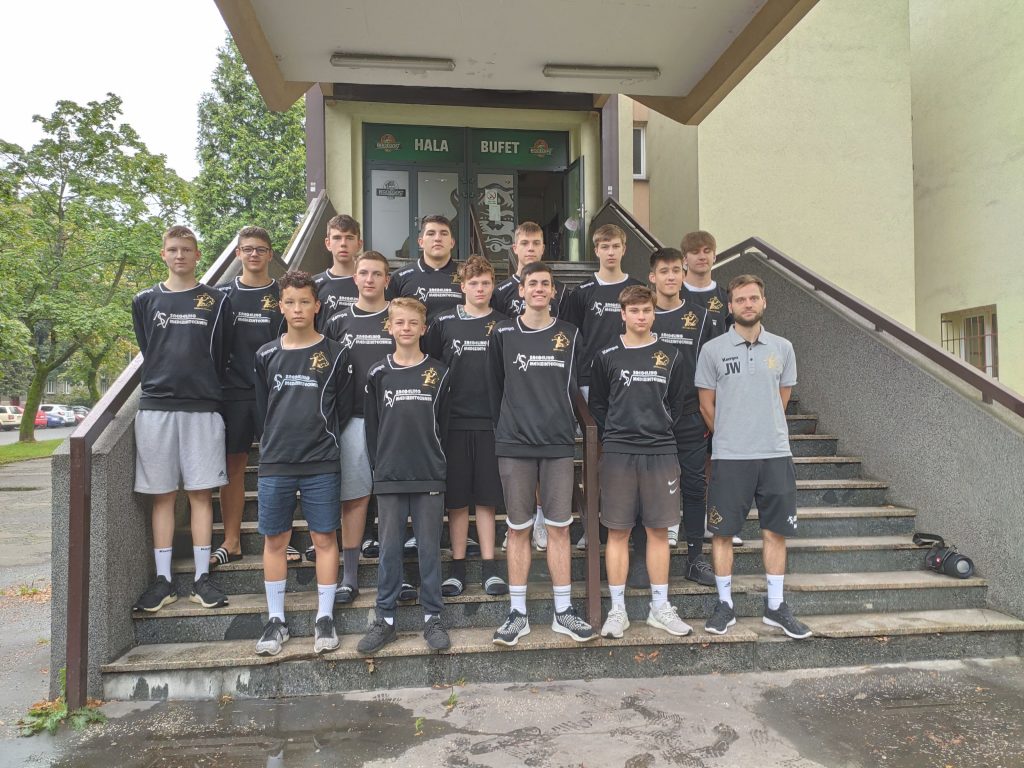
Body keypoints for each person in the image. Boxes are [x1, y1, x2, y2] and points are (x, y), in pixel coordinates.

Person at [696, 274, 812, 640]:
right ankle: (724, 605)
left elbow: (782, 398)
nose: (748, 304)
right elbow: (706, 404)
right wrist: (730, 434)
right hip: (730, 457)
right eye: (741, 299)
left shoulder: (783, 348)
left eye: (753, 298)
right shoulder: (712, 350)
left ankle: (776, 606)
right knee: (722, 533)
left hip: (774, 454)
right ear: (729, 306)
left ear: (764, 302)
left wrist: (762, 428)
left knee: (775, 531)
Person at [488, 261, 595, 646]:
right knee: (518, 530)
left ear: (553, 292)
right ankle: (517, 614)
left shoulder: (570, 333)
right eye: (531, 283)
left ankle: (563, 612)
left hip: (557, 443)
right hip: (515, 443)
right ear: (521, 290)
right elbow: (495, 388)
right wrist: (506, 428)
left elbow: (577, 386)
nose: (538, 289)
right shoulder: (503, 333)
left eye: (545, 284)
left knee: (559, 528)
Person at [130, 225, 231, 613]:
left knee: (201, 494)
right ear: (163, 254)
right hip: (157, 407)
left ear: (197, 254)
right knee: (163, 496)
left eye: (186, 249)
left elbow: (220, 352)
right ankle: (164, 580)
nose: (179, 255)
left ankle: (202, 578)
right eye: (173, 249)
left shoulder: (216, 300)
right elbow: (149, 348)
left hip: (203, 407)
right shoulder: (145, 300)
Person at [252, 271, 353, 656]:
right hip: (276, 461)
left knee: (324, 539)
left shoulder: (335, 353)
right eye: (290, 302)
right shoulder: (265, 354)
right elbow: (262, 409)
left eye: (305, 302)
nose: (298, 309)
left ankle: (324, 617)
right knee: (275, 540)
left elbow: (343, 407)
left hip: (321, 460)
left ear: (317, 306)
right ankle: (276, 619)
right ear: (281, 306)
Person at [589, 285, 693, 639]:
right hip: (619, 453)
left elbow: (677, 404)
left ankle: (659, 607)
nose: (641, 316)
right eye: (634, 310)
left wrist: (657, 427)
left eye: (646, 310)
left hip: (660, 451)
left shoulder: (671, 355)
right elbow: (598, 403)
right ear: (623, 314)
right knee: (617, 532)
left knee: (658, 532)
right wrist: (618, 431)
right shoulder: (607, 356)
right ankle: (617, 610)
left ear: (654, 313)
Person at [357, 298, 452, 654]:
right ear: (390, 327)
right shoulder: (377, 373)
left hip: (428, 474)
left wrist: (439, 464)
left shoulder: (439, 372)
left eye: (413, 323)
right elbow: (372, 427)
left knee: (429, 550)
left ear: (424, 328)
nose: (406, 328)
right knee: (389, 550)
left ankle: (433, 617)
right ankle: (385, 619)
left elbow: (445, 425)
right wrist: (379, 467)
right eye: (400, 322)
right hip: (390, 474)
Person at [424, 255, 508, 597]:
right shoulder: (443, 322)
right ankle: (457, 569)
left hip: (490, 422)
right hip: (453, 423)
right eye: (473, 283)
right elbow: (429, 368)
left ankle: (490, 567)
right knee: (457, 500)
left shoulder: (504, 325)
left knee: (487, 499)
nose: (480, 289)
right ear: (462, 287)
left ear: (493, 286)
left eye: (486, 283)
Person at [559, 222, 642, 549]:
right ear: (595, 250)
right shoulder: (581, 292)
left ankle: (628, 523)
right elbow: (570, 339)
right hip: (591, 383)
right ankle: (591, 526)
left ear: (624, 249)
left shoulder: (635, 289)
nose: (610, 252)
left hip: (632, 381)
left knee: (626, 453)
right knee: (595, 456)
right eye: (604, 247)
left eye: (615, 246)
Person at [321, 251, 395, 600]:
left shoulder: (399, 317)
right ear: (355, 278)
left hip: (395, 420)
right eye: (363, 273)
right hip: (353, 419)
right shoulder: (338, 321)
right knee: (354, 498)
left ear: (387, 280)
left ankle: (394, 573)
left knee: (395, 498)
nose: (369, 279)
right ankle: (349, 577)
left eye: (376, 274)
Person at [213, 226, 288, 569]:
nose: (254, 254)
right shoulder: (222, 295)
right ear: (238, 254)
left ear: (270, 254)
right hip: (234, 392)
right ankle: (232, 540)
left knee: (280, 465)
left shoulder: (283, 294)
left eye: (260, 249)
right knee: (234, 464)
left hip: (275, 392)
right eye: (248, 249)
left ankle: (281, 537)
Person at [490, 221, 567, 551]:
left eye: (537, 242)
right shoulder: (502, 293)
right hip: (517, 396)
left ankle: (540, 518)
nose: (531, 247)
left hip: (548, 396)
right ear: (515, 248)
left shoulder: (557, 291)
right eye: (525, 242)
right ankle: (520, 522)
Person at [649, 247, 719, 585]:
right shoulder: (641, 314)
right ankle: (644, 555)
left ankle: (694, 558)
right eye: (664, 271)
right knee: (649, 488)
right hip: (650, 417)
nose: (671, 276)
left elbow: (714, 368)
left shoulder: (701, 317)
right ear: (653, 277)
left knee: (693, 485)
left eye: (676, 270)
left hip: (690, 415)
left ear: (684, 273)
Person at [387, 215, 463, 321]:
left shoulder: (466, 276)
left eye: (444, 233)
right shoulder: (400, 278)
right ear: (421, 242)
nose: (437, 238)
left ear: (452, 243)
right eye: (431, 233)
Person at [313, 214, 363, 330]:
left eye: (349, 238)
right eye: (337, 238)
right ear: (328, 243)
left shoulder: (370, 283)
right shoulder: (314, 284)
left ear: (359, 244)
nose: (343, 243)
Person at [680, 231, 731, 334]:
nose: (702, 257)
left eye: (707, 251)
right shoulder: (674, 294)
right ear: (685, 259)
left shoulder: (725, 297)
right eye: (695, 252)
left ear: (714, 257)